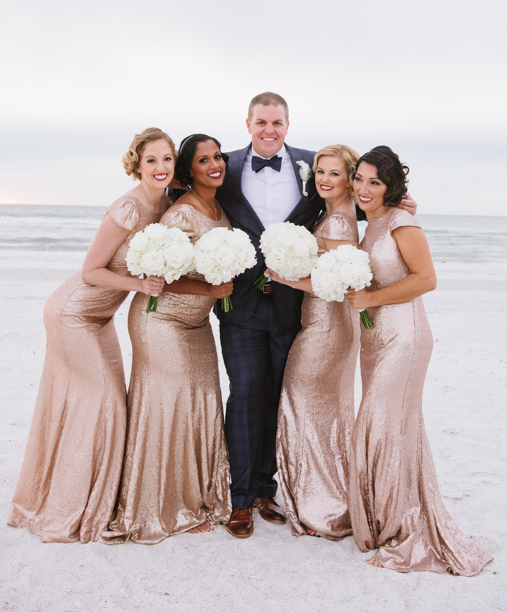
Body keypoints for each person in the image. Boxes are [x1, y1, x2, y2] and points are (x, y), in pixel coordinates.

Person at [216, 92, 417, 538]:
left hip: (298, 308)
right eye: (262, 122)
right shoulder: (223, 166)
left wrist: (397, 204)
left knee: (283, 397)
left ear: (288, 125)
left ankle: (271, 490)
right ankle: (242, 498)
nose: (270, 130)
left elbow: (354, 196)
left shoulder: (313, 165)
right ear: (248, 123)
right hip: (241, 303)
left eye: (278, 123)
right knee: (246, 392)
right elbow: (181, 188)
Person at [7, 128, 176, 543]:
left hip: (102, 318)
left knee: (104, 404)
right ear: (136, 164)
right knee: (104, 403)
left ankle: (95, 496)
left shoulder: (168, 204)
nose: (160, 168)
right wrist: (141, 286)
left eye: (167, 159)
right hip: (73, 314)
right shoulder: (128, 208)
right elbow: (91, 271)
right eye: (151, 160)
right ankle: (74, 507)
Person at [346, 146, 492, 575]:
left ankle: (401, 526)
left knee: (383, 423)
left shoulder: (401, 222)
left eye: (375, 181)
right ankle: (382, 520)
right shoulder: (369, 224)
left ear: (391, 186)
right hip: (374, 339)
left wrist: (370, 297)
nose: (364, 188)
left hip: (405, 337)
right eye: (360, 179)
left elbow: (426, 278)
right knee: (390, 427)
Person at [103, 134, 233, 544]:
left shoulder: (220, 205)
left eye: (217, 156)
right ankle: (157, 506)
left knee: (202, 402)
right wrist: (211, 292)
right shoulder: (178, 216)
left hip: (197, 326)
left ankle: (193, 498)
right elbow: (162, 283)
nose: (213, 164)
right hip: (161, 322)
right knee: (167, 407)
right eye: (202, 160)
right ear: (187, 170)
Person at [267, 145, 360, 539]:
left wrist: (284, 277)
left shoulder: (339, 223)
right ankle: (328, 497)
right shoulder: (334, 213)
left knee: (301, 404)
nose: (323, 178)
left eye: (334, 173)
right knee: (325, 414)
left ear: (349, 178)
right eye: (320, 171)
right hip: (327, 325)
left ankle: (324, 505)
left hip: (327, 326)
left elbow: (336, 285)